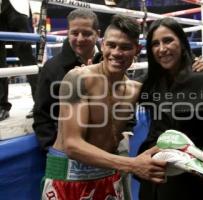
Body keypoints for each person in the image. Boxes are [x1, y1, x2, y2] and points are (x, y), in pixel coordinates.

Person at [41, 14, 167, 200]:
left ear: (137, 50)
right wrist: (133, 165)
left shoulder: (135, 90)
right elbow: (72, 145)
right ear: (102, 44)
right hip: (68, 176)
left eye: (125, 47)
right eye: (112, 45)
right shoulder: (79, 78)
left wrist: (196, 67)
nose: (117, 52)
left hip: (108, 176)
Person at [137, 17, 203, 200]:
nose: (162, 49)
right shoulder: (149, 82)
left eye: (168, 40)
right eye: (155, 43)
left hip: (191, 182)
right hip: (153, 178)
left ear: (182, 42)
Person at [33, 8, 102, 151]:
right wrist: (52, 150)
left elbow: (122, 102)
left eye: (87, 33)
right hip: (66, 151)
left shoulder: (110, 63)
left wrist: (124, 133)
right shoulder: (52, 68)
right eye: (75, 33)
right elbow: (42, 114)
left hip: (105, 146)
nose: (80, 38)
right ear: (68, 33)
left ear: (98, 34)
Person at [0, 0, 40, 121]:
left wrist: (36, 10)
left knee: (25, 54)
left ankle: (40, 104)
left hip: (17, 7)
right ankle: (2, 107)